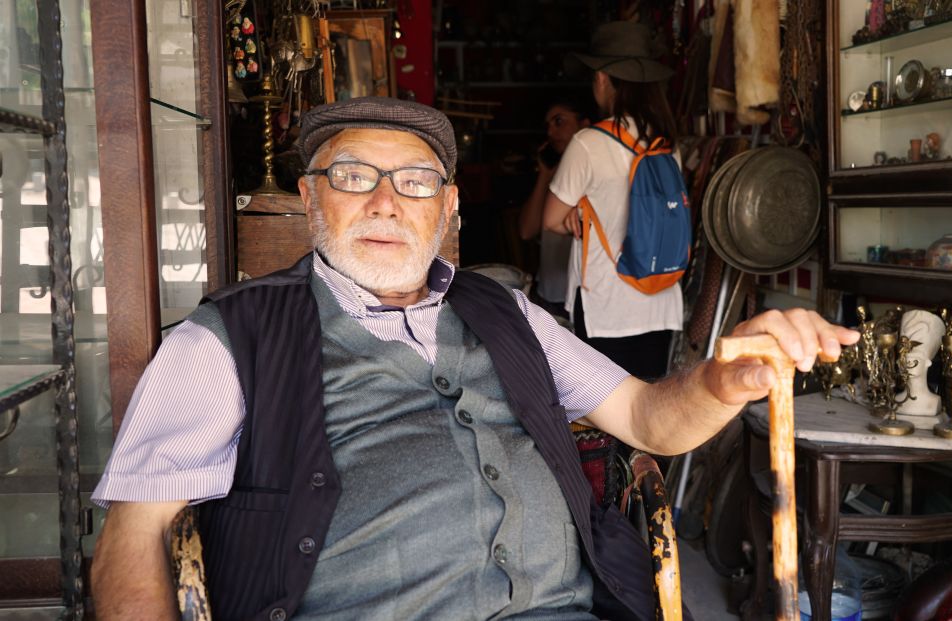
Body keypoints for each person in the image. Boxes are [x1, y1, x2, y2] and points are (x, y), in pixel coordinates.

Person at [88, 96, 858, 620]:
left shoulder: (506, 310)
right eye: (354, 178)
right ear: (311, 198)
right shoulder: (227, 338)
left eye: (416, 182)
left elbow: (648, 420)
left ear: (449, 207)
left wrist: (724, 381)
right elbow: (134, 538)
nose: (386, 203)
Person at [542, 21, 683, 381]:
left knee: (605, 426)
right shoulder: (667, 144)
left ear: (603, 79)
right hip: (662, 300)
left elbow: (551, 220)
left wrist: (575, 213)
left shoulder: (589, 142)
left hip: (607, 306)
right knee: (650, 412)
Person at [517, 99, 592, 319]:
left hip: (578, 293)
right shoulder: (555, 172)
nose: (551, 131)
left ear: (584, 125)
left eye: (559, 122)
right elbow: (526, 230)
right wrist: (544, 174)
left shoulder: (592, 170)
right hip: (548, 290)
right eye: (548, 125)